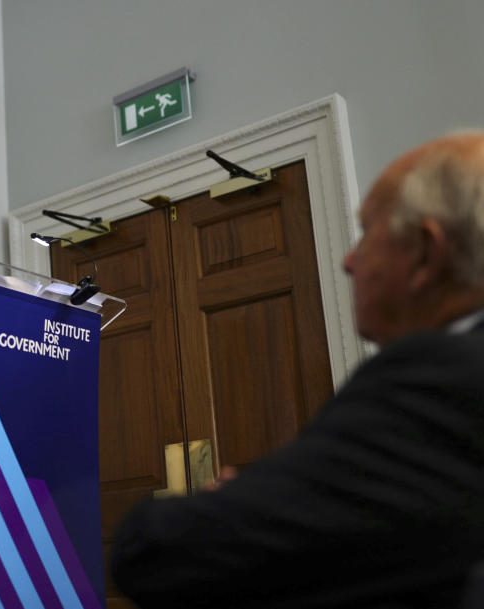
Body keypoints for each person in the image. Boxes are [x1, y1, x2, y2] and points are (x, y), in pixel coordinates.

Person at [110, 132, 484, 609]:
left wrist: (247, 503)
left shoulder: (441, 379)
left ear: (427, 255)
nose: (349, 260)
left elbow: (156, 552)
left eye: (367, 231)